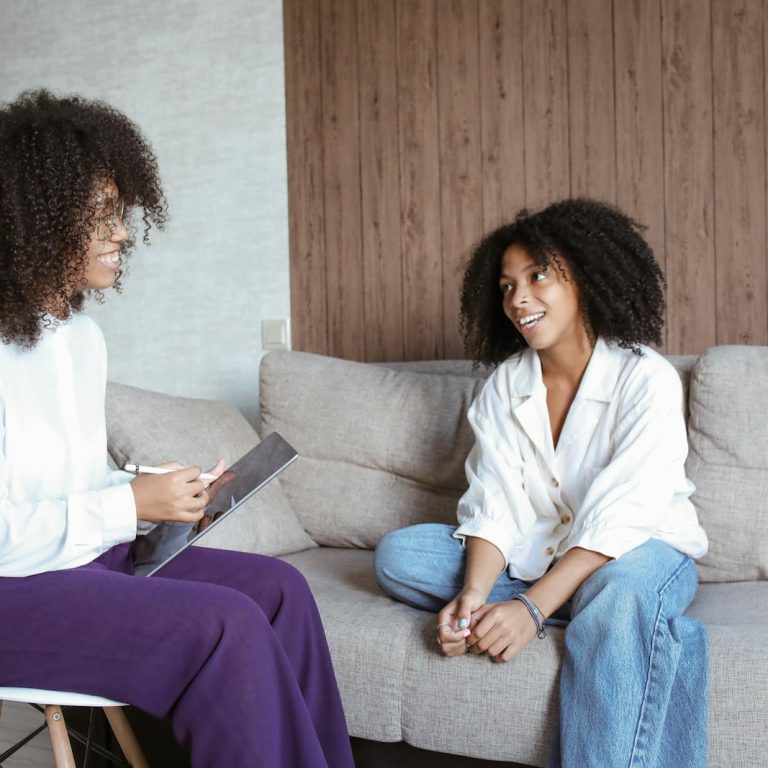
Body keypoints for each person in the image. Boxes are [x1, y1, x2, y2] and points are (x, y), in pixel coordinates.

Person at [0, 89, 355, 768]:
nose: (122, 234)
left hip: (78, 561)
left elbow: (68, 480)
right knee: (225, 627)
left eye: (122, 213)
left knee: (282, 591)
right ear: (35, 216)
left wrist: (145, 493)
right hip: (12, 590)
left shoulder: (80, 336)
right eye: (101, 215)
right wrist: (126, 506)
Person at [374, 198, 709, 768]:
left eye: (537, 277)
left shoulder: (644, 379)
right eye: (506, 286)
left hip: (641, 550)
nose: (518, 299)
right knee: (400, 555)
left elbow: (621, 519)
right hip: (536, 559)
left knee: (621, 591)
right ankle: (618, 621)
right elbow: (494, 503)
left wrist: (530, 611)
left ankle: (611, 614)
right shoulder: (506, 386)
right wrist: (473, 596)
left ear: (585, 276)